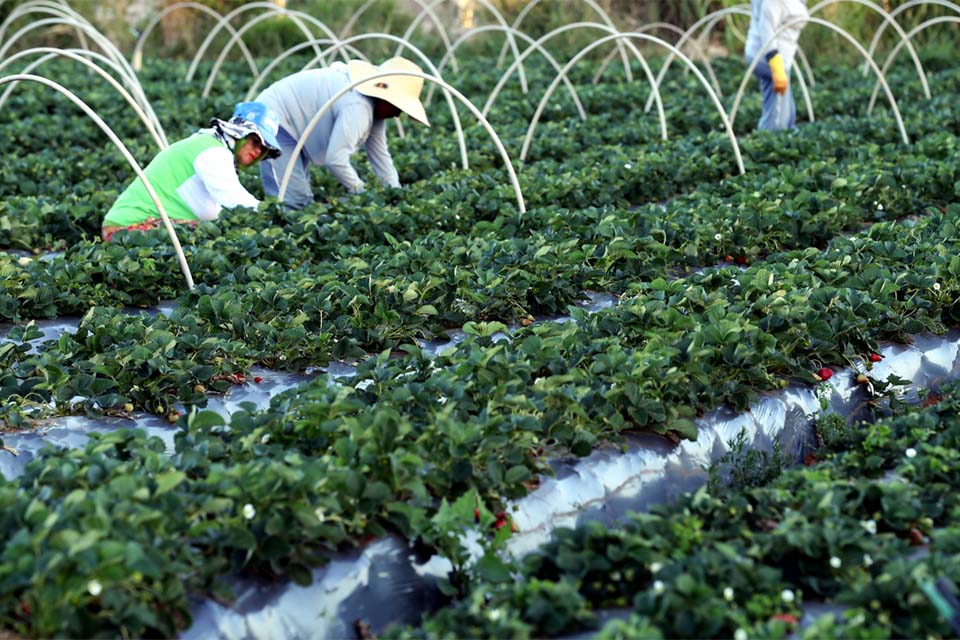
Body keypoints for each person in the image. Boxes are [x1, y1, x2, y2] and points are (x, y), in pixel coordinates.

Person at [254, 56, 429, 210]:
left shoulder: (374, 109)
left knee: (298, 199)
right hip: (274, 119)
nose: (398, 114)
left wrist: (394, 194)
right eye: (398, 106)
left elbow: (380, 156)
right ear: (385, 97)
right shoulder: (358, 108)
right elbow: (335, 159)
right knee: (291, 201)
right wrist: (361, 192)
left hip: (295, 124)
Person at [101, 102, 282, 241]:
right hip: (127, 229)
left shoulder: (212, 145)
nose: (258, 151)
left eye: (264, 148)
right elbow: (234, 200)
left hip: (136, 225)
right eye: (254, 142)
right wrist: (275, 217)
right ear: (239, 134)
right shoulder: (213, 151)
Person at [744, 0, 809, 131]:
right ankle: (768, 144)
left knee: (784, 111)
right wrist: (775, 64)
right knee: (778, 119)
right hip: (769, 58)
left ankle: (775, 138)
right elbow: (766, 29)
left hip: (771, 57)